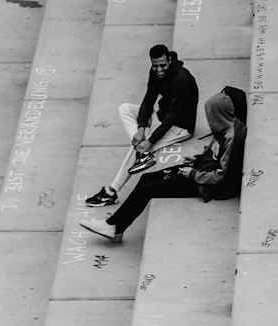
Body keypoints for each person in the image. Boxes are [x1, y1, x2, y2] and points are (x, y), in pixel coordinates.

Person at [80, 91, 245, 242]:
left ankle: (114, 227)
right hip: (199, 170)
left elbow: (222, 176)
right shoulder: (225, 128)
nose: (210, 119)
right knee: (147, 178)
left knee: (148, 189)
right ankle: (116, 226)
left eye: (211, 114)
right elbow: (215, 156)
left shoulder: (231, 138)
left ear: (218, 113)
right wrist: (196, 160)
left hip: (205, 185)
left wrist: (193, 174)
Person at [85, 44, 199, 208]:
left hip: (179, 127)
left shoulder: (182, 79)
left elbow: (174, 116)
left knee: (136, 149)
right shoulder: (155, 72)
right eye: (155, 66)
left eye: (163, 65)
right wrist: (140, 129)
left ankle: (111, 192)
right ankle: (142, 153)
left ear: (170, 59)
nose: (159, 70)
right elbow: (148, 99)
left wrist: (150, 140)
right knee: (125, 109)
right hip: (161, 117)